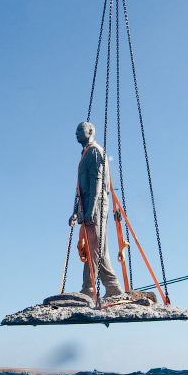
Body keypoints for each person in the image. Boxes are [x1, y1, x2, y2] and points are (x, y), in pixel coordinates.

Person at [69, 121, 124, 300]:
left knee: (97, 246)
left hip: (97, 204)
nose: (77, 132)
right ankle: (89, 288)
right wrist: (77, 212)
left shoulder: (94, 152)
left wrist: (92, 209)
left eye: (80, 129)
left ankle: (113, 287)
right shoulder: (85, 154)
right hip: (89, 206)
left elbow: (97, 183)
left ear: (91, 131)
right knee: (92, 247)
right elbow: (81, 189)